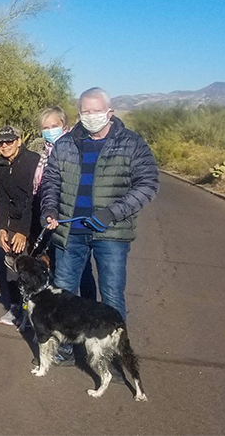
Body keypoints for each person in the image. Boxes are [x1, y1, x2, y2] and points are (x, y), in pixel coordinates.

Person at [41, 87, 159, 322]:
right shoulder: (65, 144)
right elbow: (51, 180)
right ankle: (65, 347)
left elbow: (148, 184)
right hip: (70, 232)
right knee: (63, 293)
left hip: (111, 233)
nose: (91, 116)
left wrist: (112, 213)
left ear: (109, 112)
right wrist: (50, 209)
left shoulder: (132, 143)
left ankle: (114, 355)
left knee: (111, 296)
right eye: (86, 111)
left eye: (96, 111)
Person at [30, 106, 97, 308]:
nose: (50, 130)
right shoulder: (45, 152)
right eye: (46, 127)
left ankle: (86, 310)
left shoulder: (75, 149)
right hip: (48, 217)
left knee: (79, 269)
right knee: (59, 267)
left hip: (68, 219)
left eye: (54, 126)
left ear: (64, 125)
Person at [0, 125, 39, 322]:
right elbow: (1, 198)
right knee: (12, 265)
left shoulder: (33, 162)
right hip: (14, 219)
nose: (4, 146)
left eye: (9, 141)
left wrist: (22, 231)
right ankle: (15, 307)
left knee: (34, 268)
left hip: (36, 219)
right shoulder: (0, 165)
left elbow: (32, 198)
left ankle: (36, 313)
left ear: (19, 141)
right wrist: (2, 227)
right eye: (0, 143)